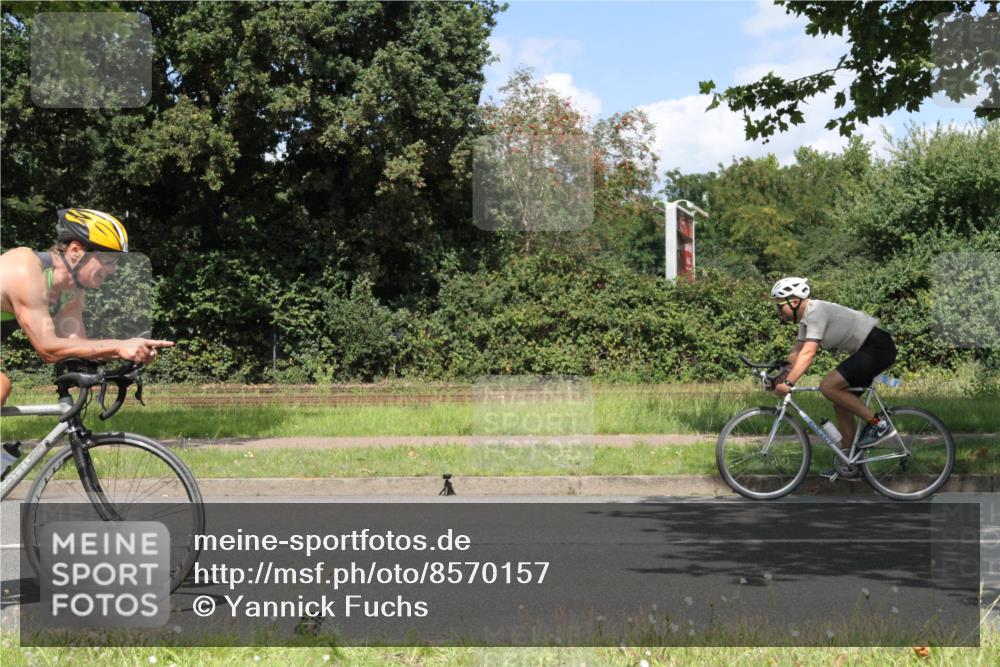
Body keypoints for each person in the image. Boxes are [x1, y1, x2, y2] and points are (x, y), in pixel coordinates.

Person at [0, 208, 173, 407]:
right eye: (107, 260)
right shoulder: (24, 269)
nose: (112, 270)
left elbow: (77, 346)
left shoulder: (72, 291)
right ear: (75, 251)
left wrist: (130, 350)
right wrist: (117, 346)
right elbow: (47, 348)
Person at [770, 276, 898, 451]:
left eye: (779, 305)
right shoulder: (806, 319)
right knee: (841, 404)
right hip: (869, 349)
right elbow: (797, 353)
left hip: (877, 347)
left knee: (828, 386)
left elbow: (808, 353)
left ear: (793, 302)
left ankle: (880, 425)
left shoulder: (816, 312)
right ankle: (849, 463)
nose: (778, 310)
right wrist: (779, 377)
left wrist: (788, 383)